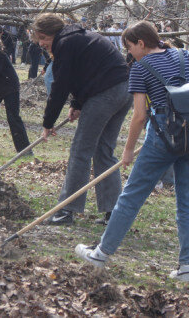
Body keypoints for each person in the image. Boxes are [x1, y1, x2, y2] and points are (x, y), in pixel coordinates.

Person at [74, 21, 189, 283]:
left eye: (130, 47)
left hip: (161, 141)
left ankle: (101, 254)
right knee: (188, 205)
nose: (129, 53)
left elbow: (139, 116)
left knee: (131, 197)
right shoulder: (183, 55)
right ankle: (187, 269)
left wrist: (128, 149)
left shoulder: (140, 69)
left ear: (141, 43)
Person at [34, 13, 132, 225]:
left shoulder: (65, 43)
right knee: (103, 150)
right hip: (124, 91)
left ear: (51, 33)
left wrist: (47, 123)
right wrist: (77, 104)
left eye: (42, 38)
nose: (41, 43)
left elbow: (60, 86)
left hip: (106, 93)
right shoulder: (78, 36)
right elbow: (83, 73)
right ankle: (114, 212)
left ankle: (66, 210)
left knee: (81, 150)